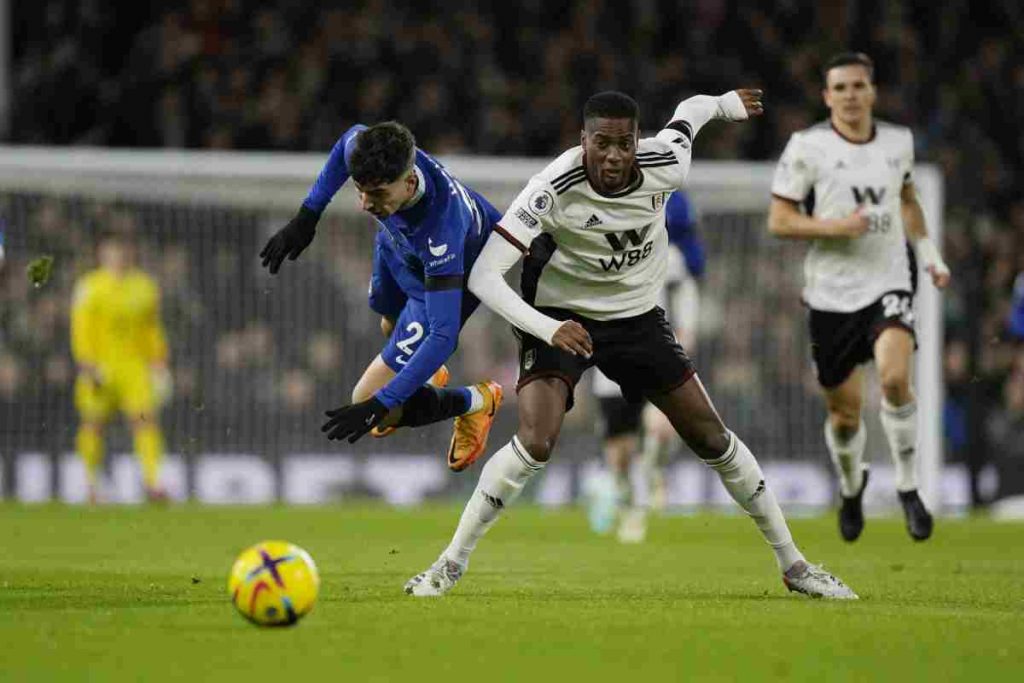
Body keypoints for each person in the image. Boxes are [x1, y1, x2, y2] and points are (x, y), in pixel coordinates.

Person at [405, 88, 857, 599]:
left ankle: (795, 566)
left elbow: (690, 113)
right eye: (602, 144)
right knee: (537, 439)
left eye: (624, 143)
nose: (614, 156)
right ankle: (448, 565)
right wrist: (547, 328)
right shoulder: (552, 187)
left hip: (636, 319)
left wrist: (726, 103)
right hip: (561, 319)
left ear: (638, 142)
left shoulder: (668, 164)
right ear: (584, 141)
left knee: (711, 437)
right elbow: (485, 276)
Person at [768, 52, 951, 542]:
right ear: (827, 96)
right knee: (845, 415)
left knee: (894, 380)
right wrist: (835, 227)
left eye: (858, 86)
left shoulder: (898, 143)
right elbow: (779, 220)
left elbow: (908, 200)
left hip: (889, 281)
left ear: (872, 92)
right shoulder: (807, 147)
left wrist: (929, 253)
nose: (850, 95)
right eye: (840, 88)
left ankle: (910, 487)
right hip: (830, 294)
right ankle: (852, 485)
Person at [259, 121, 502, 471]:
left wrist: (381, 403)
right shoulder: (374, 155)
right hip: (396, 247)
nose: (365, 204)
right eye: (361, 190)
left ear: (410, 182)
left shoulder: (442, 229)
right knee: (388, 321)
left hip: (443, 278)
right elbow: (347, 139)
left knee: (373, 406)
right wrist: (307, 217)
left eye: (377, 195)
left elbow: (444, 336)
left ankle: (477, 401)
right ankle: (427, 374)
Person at [588, 190, 705, 542]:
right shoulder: (599, 251)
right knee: (619, 451)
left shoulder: (672, 259)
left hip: (657, 355)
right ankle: (627, 501)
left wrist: (683, 343)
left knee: (660, 427)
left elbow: (687, 304)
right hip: (610, 363)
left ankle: (652, 481)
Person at [71, 229, 172, 502]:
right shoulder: (89, 286)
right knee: (93, 424)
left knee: (144, 421)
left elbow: (152, 329)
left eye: (121, 252)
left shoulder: (144, 286)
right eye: (110, 252)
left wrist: (159, 360)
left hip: (134, 368)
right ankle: (90, 485)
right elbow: (81, 328)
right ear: (101, 255)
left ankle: (153, 483)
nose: (116, 257)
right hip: (99, 366)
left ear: (129, 254)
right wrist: (86, 361)